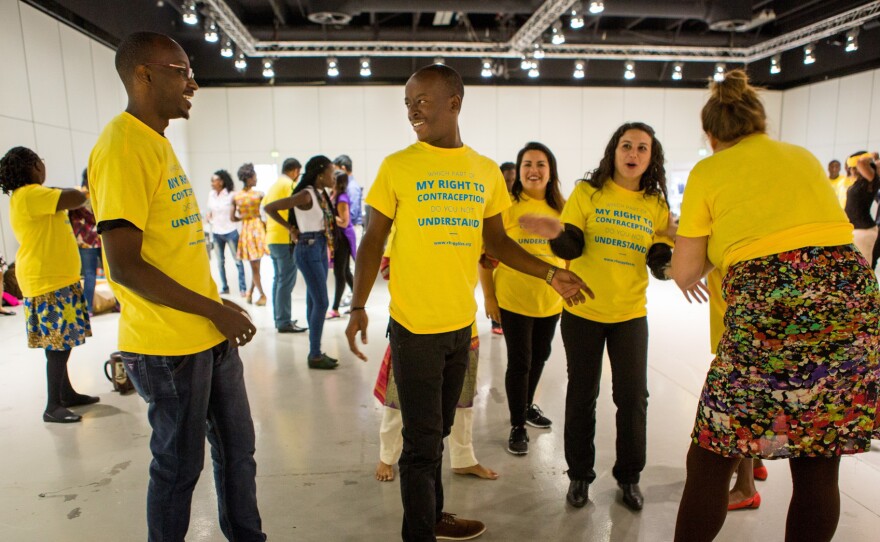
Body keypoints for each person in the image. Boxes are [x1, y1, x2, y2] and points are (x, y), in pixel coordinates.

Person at [344, 64, 590, 542]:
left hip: (461, 327)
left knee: (435, 436)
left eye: (423, 99)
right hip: (414, 329)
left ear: (454, 103)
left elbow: (496, 243)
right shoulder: (397, 165)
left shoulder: (483, 170)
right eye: (408, 102)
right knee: (418, 445)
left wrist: (549, 272)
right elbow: (373, 240)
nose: (413, 109)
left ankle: (433, 518)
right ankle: (419, 532)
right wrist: (357, 307)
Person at [671, 70, 879, 542]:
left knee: (712, 450)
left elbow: (685, 273)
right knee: (818, 459)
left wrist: (689, 243)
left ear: (711, 134)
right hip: (850, 295)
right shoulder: (802, 157)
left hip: (772, 305)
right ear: (760, 123)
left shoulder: (710, 170)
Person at [88, 31, 265, 541]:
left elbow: (169, 247)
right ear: (143, 75)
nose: (193, 81)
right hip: (168, 348)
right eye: (181, 70)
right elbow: (124, 266)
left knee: (238, 451)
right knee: (178, 469)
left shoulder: (154, 140)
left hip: (205, 335)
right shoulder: (122, 146)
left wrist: (214, 304)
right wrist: (211, 311)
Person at [521, 122, 677, 512]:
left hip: (629, 315)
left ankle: (629, 476)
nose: (634, 154)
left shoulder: (656, 206)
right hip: (584, 311)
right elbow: (573, 241)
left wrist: (681, 264)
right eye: (627, 145)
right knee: (582, 394)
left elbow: (657, 261)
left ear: (650, 158)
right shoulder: (588, 192)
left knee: (632, 398)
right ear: (614, 151)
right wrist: (554, 231)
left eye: (643, 148)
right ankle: (579, 476)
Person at [375, 239, 497, 482]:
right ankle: (387, 456)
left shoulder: (472, 216)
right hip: (417, 329)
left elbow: (490, 257)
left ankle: (464, 459)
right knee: (402, 402)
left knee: (461, 401)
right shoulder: (412, 218)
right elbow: (388, 268)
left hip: (463, 329)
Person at [479, 142, 565, 456]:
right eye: (527, 164)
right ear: (519, 170)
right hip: (513, 298)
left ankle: (527, 405)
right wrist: (489, 296)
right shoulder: (506, 206)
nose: (533, 170)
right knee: (520, 361)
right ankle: (517, 424)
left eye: (541, 164)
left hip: (550, 301)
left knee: (540, 356)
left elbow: (570, 254)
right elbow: (486, 255)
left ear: (550, 170)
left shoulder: (563, 208)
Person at [1, 146, 97, 423]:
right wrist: (64, 189)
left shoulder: (31, 196)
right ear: (31, 167)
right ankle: (53, 405)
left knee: (61, 342)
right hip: (47, 281)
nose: (43, 166)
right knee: (58, 347)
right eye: (39, 162)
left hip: (54, 279)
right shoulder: (32, 195)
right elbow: (77, 197)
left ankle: (66, 394)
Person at [264, 155, 338, 369]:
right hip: (308, 247)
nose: (333, 178)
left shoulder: (319, 194)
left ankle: (315, 350)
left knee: (314, 300)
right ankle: (314, 354)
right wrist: (290, 228)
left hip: (319, 245)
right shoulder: (306, 195)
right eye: (331, 173)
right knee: (322, 302)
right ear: (321, 173)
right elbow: (270, 208)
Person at [264, 158, 306, 333]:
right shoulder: (288, 185)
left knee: (279, 280)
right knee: (286, 281)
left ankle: (280, 318)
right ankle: (283, 321)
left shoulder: (274, 185)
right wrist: (292, 228)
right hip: (284, 239)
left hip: (272, 238)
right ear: (295, 171)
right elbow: (295, 208)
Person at [232, 163, 269, 305]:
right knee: (256, 266)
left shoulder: (237, 196)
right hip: (258, 228)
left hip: (247, 229)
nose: (256, 179)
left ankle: (251, 292)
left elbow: (233, 217)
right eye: (254, 177)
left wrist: (244, 217)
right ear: (248, 178)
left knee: (255, 266)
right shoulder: (259, 195)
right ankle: (261, 294)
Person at [206, 169, 246, 297]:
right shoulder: (211, 194)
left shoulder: (231, 195)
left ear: (221, 182)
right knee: (220, 262)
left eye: (214, 180)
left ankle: (243, 288)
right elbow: (210, 211)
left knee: (238, 261)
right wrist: (209, 216)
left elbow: (239, 211)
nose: (212, 183)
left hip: (231, 232)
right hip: (217, 232)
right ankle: (224, 287)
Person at [68, 168, 101, 314]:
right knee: (109, 273)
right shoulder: (97, 194)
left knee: (89, 273)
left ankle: (88, 308)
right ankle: (119, 304)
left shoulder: (76, 195)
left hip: (85, 240)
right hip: (100, 237)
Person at [327, 169, 357, 319]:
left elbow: (344, 222)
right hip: (339, 237)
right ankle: (356, 304)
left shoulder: (342, 198)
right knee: (345, 272)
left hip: (343, 238)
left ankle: (335, 308)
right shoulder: (334, 195)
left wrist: (329, 216)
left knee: (340, 273)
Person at [843, 151, 878, 260]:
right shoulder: (858, 183)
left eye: (852, 168)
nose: (850, 170)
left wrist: (869, 157)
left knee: (862, 267)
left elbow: (862, 162)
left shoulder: (871, 180)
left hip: (863, 230)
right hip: (854, 229)